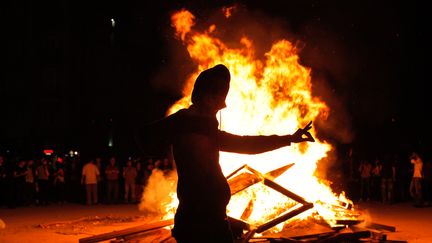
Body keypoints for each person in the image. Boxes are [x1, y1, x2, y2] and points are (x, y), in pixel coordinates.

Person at [138, 64, 315, 243]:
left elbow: (247, 144)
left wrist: (288, 139)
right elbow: (144, 136)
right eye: (217, 101)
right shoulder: (183, 122)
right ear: (205, 97)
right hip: (196, 224)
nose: (218, 109)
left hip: (215, 220)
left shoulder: (206, 129)